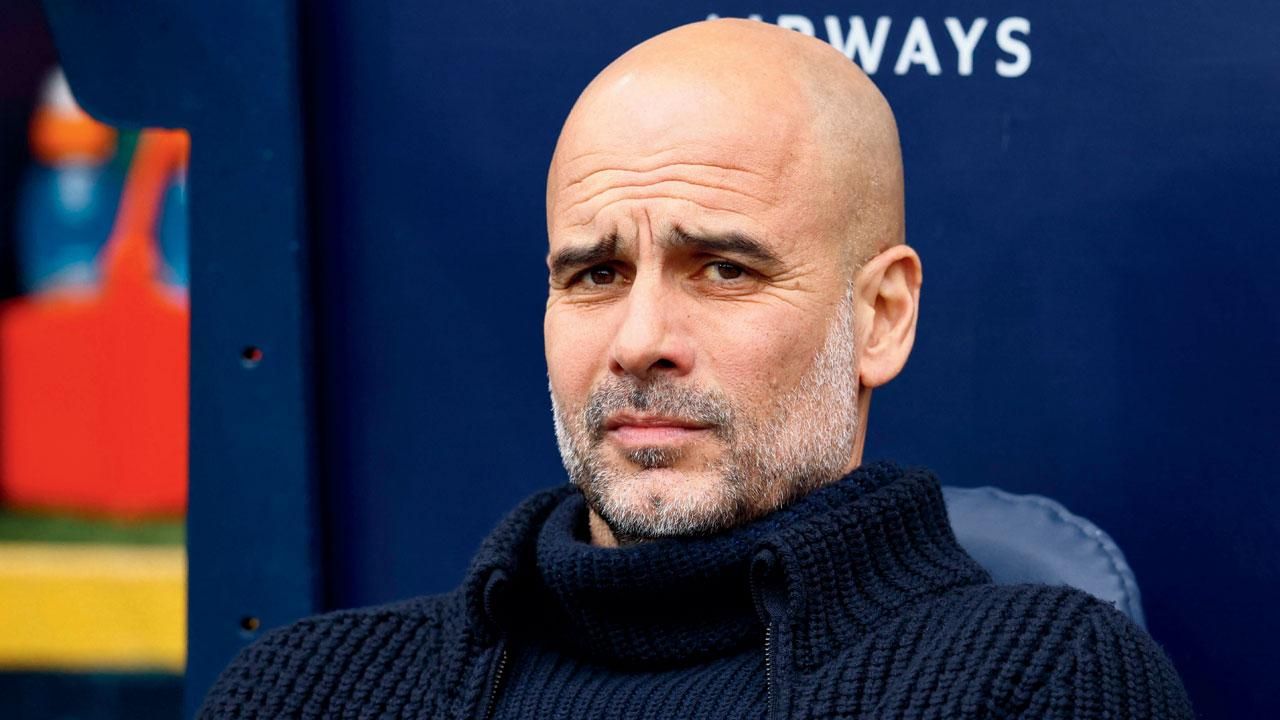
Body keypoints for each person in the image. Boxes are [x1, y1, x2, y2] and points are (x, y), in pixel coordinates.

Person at [199, 19, 1192, 719]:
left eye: (723, 269)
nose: (639, 340)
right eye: (595, 273)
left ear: (880, 318)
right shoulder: (304, 692)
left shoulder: (1035, 683)